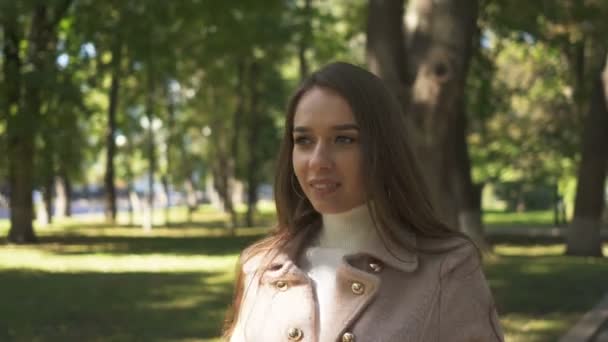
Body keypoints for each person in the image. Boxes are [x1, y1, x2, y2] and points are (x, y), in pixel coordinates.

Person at [223, 62, 504, 342]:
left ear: (384, 148)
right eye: (304, 140)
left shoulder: (447, 269)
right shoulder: (260, 267)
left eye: (343, 139)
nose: (318, 161)